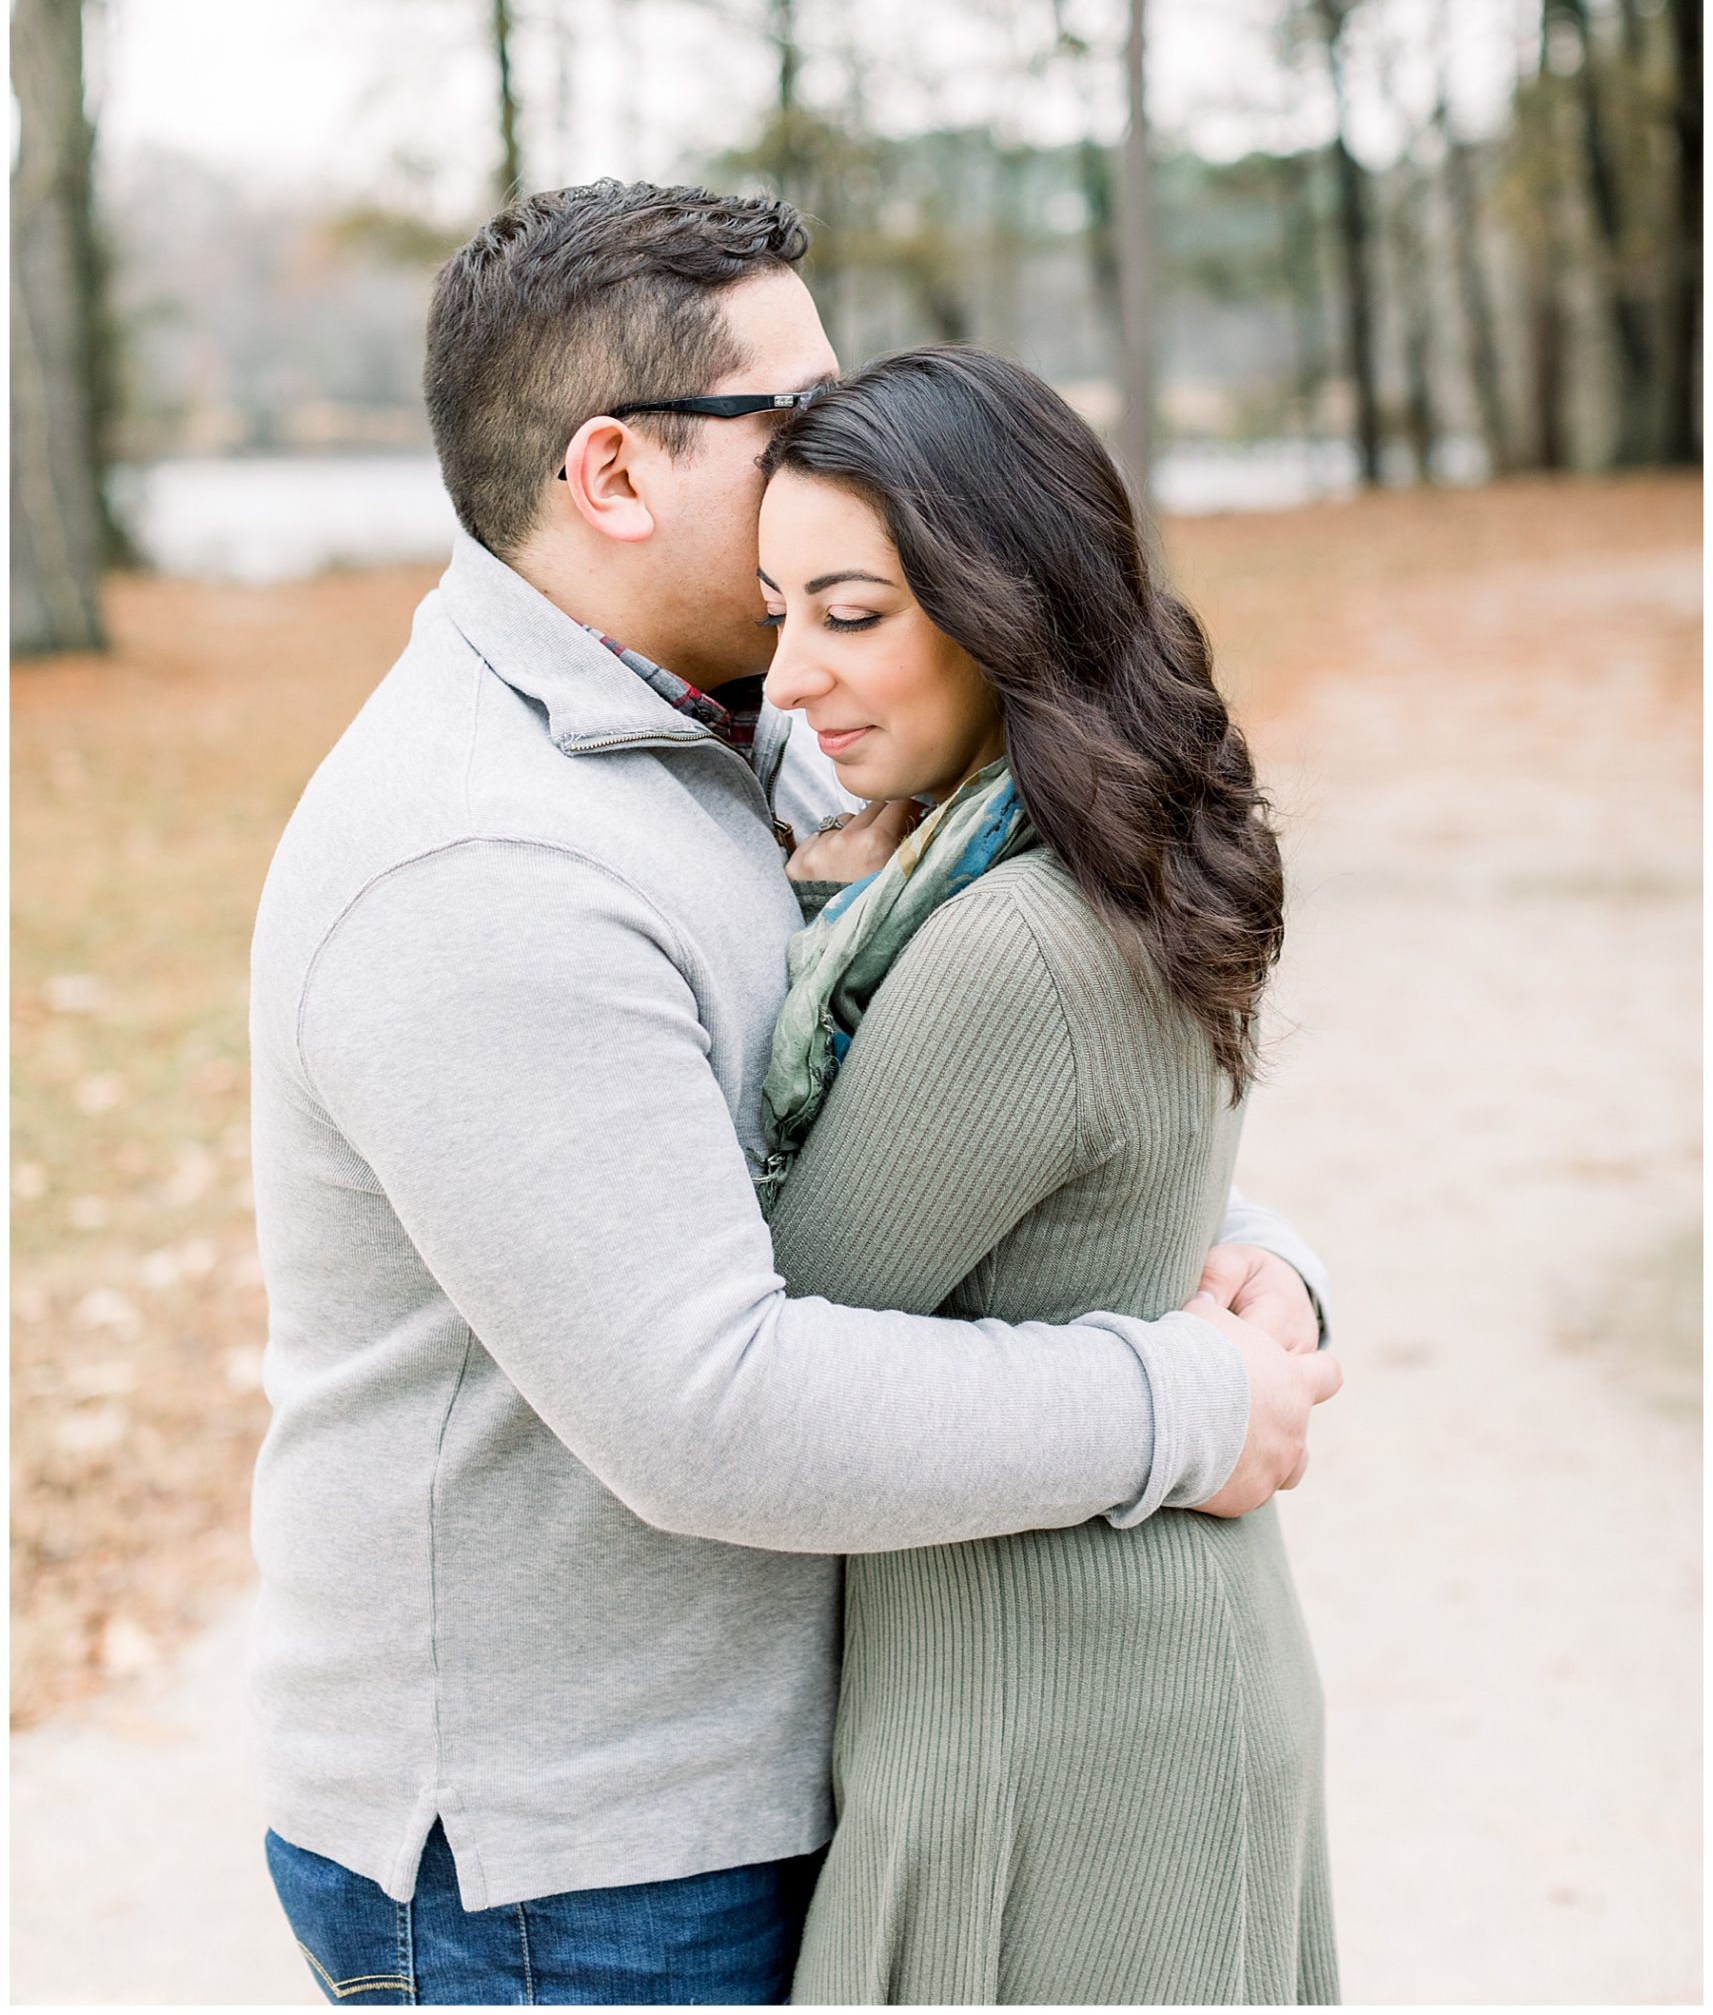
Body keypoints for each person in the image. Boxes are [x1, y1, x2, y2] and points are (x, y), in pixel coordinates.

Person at [248, 180, 1340, 2007]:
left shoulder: (739, 733)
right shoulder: (479, 860)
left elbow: (941, 1109)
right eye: (789, 411)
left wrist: (1248, 1265)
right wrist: (1179, 1400)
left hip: (756, 1776)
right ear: (615, 475)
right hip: (576, 1864)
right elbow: (710, 1408)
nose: (847, 440)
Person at [751, 348, 1335, 2005]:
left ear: (1003, 601)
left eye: (850, 613)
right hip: (1130, 1663)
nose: (790, 676)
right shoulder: (1070, 846)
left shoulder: (1003, 937)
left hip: (1053, 1730)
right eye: (778, 609)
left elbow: (780, 1348)